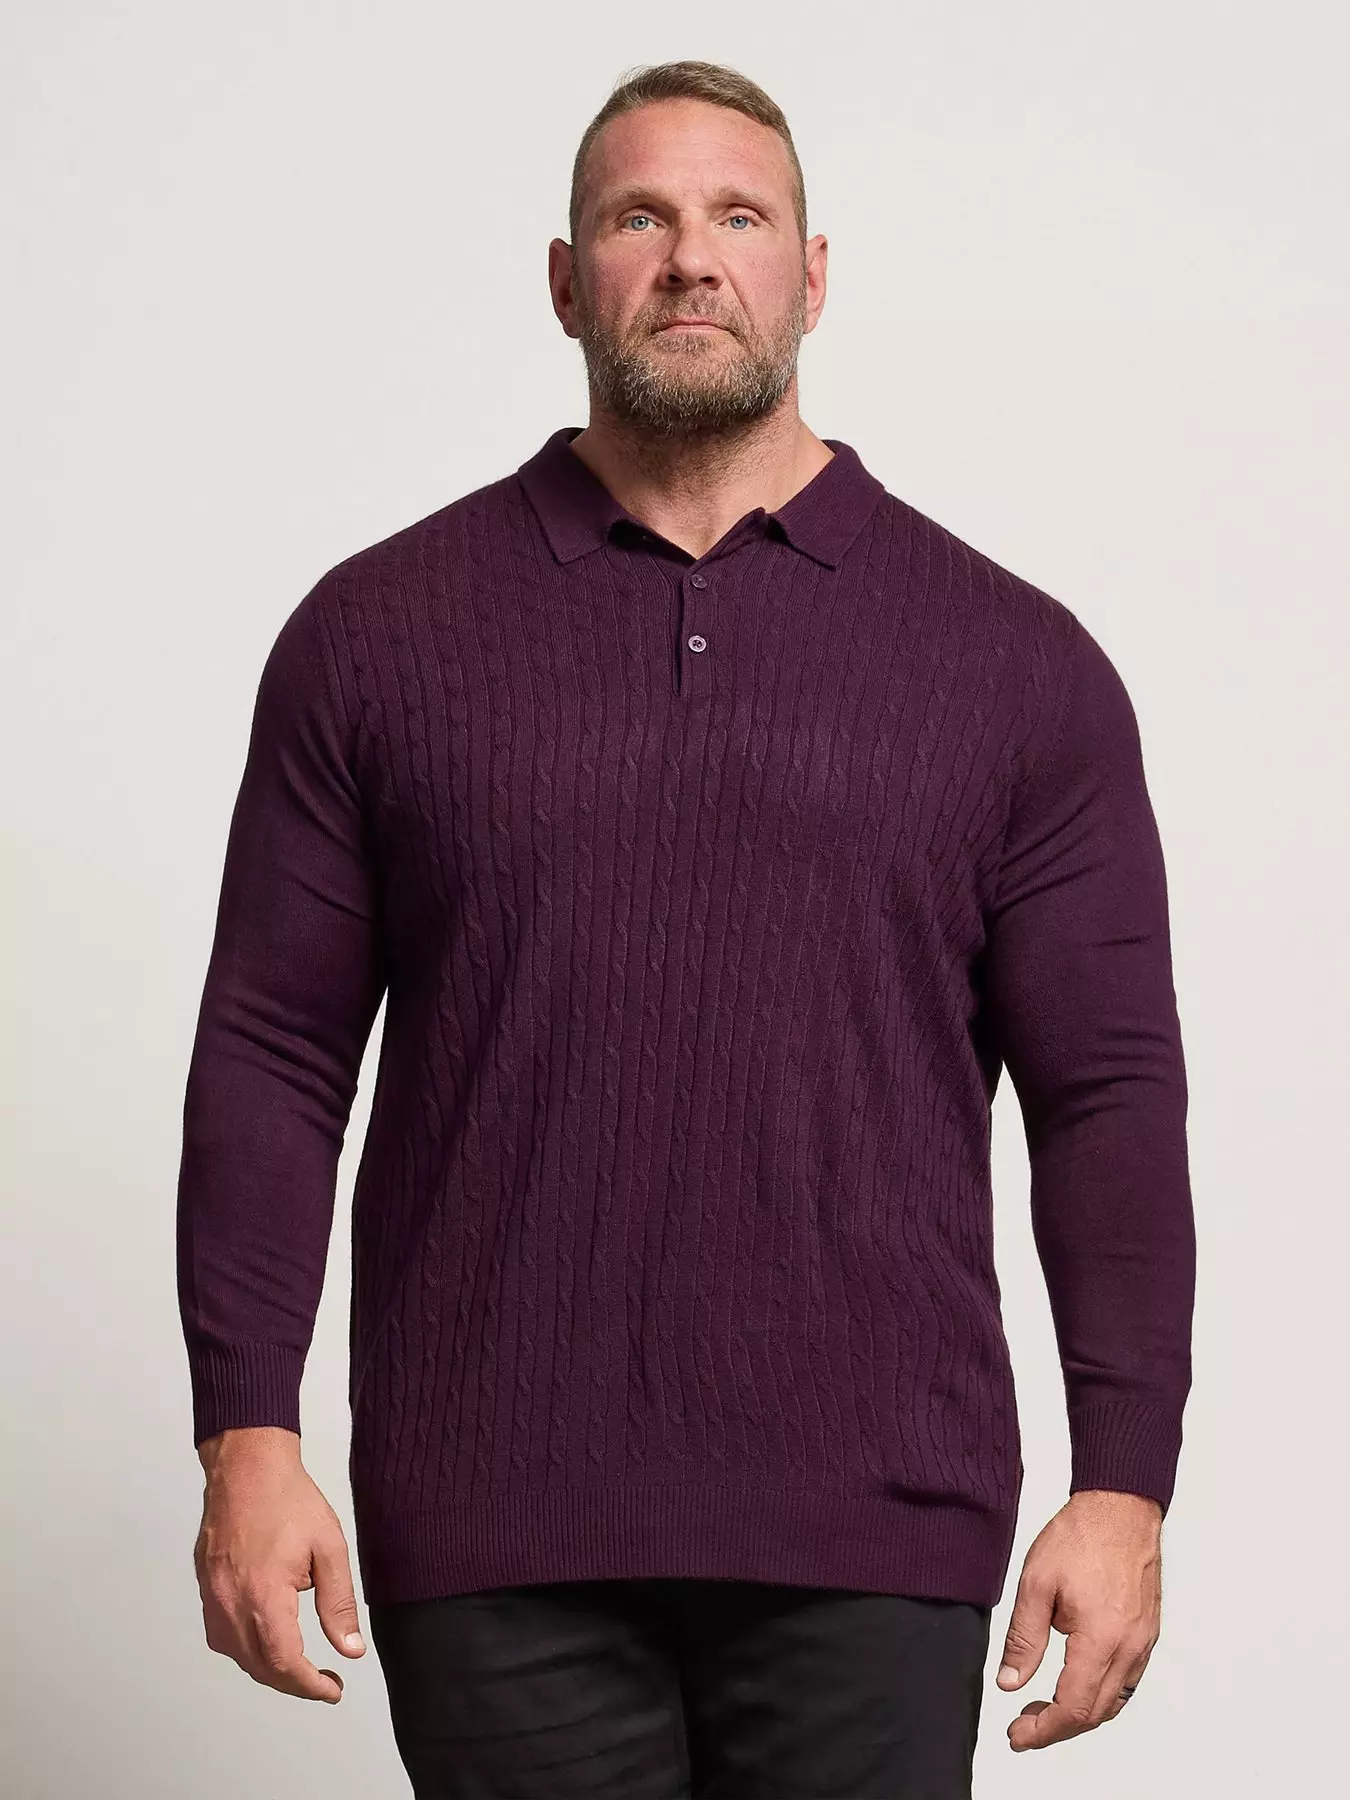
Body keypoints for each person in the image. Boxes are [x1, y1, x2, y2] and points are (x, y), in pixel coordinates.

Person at [177, 57, 1195, 1800]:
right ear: (565, 280)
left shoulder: (1015, 665)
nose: (690, 257)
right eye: (636, 218)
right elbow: (273, 1054)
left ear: (814, 272)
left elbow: (1104, 1096)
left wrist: (1124, 1481)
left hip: (877, 1523)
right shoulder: (374, 637)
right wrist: (245, 1431)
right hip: (491, 1518)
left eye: (739, 215)